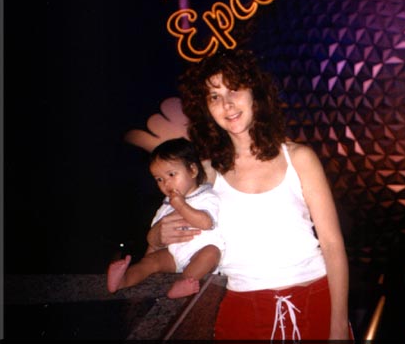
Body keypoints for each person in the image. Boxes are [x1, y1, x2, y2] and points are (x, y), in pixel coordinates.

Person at [147, 49, 352, 340]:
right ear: (206, 108)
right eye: (214, 96)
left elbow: (332, 245)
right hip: (242, 309)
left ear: (255, 92)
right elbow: (162, 241)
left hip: (316, 299)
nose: (227, 104)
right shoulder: (204, 174)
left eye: (234, 89)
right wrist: (154, 236)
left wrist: (338, 328)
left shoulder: (299, 158)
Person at [108, 138, 224, 299]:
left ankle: (182, 283)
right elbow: (155, 241)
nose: (166, 183)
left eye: (171, 174)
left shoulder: (206, 196)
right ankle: (123, 280)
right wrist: (148, 258)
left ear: (192, 170)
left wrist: (182, 206)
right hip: (173, 255)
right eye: (159, 179)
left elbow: (206, 222)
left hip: (200, 251)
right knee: (150, 262)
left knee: (211, 253)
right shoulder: (166, 205)